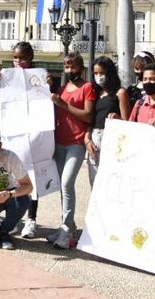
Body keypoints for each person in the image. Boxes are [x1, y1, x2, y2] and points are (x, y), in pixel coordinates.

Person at [47, 52, 95, 249]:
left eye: (72, 66)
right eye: (66, 66)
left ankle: (66, 230)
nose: (69, 70)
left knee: (67, 183)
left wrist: (63, 104)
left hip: (76, 142)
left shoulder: (87, 87)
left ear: (81, 67)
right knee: (62, 186)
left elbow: (88, 116)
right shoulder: (62, 88)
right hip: (59, 142)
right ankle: (68, 226)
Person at [10, 41, 42, 239]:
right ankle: (14, 218)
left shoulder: (38, 77)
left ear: (30, 59)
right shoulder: (7, 77)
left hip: (33, 135)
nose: (18, 61)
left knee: (33, 180)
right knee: (13, 178)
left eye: (22, 58)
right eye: (15, 58)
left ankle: (31, 220)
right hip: (13, 134)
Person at [86, 56, 130, 185]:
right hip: (95, 137)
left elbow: (127, 121)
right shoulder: (95, 93)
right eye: (95, 73)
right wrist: (87, 139)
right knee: (94, 180)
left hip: (111, 137)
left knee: (110, 180)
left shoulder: (120, 93)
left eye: (102, 73)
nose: (98, 76)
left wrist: (117, 119)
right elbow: (91, 119)